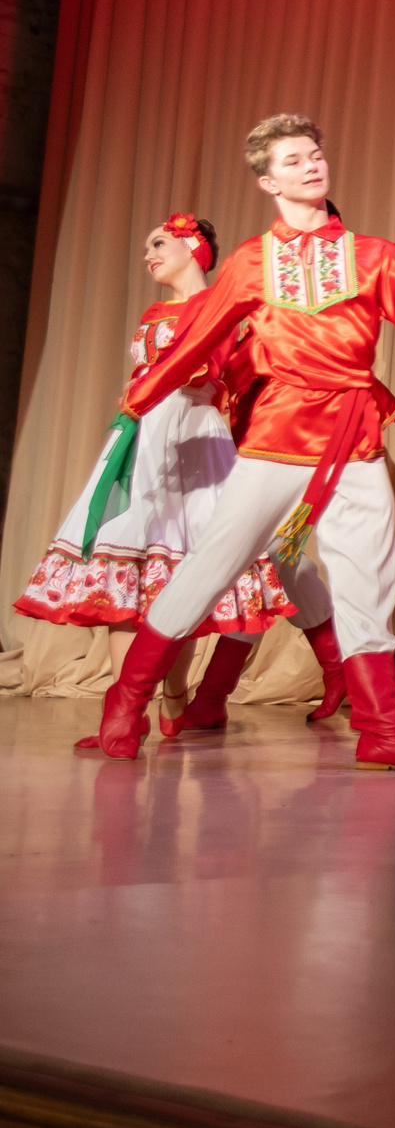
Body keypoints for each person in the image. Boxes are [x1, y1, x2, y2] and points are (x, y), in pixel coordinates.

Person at [83, 116, 395, 767]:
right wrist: (140, 399)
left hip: (353, 437)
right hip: (275, 440)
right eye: (292, 160)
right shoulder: (253, 261)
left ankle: (381, 729)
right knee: (209, 568)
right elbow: (196, 339)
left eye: (315, 155)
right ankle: (127, 700)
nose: (311, 166)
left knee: (369, 581)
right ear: (267, 179)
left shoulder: (375, 256)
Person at [16, 214, 295, 737]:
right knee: (128, 557)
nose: (149, 254)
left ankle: (175, 692)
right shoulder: (154, 310)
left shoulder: (219, 306)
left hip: (193, 432)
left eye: (159, 243)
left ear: (194, 248)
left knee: (187, 567)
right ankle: (124, 712)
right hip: (144, 432)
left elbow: (214, 368)